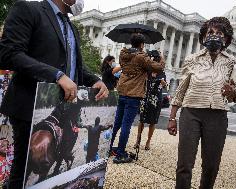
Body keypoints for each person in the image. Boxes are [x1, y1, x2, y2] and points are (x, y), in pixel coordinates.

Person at [0, 0, 108, 188]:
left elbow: (75, 68)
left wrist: (95, 81)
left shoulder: (72, 27)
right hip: (29, 105)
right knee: (22, 173)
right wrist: (56, 75)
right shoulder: (28, 9)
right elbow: (9, 53)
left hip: (64, 107)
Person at [167, 17, 236, 189]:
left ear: (226, 39)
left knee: (211, 166)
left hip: (217, 116)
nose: (214, 36)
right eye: (210, 32)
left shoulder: (232, 62)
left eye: (219, 33)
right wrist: (172, 117)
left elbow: (235, 95)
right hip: (191, 113)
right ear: (203, 37)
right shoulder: (192, 59)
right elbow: (181, 89)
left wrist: (233, 93)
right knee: (184, 164)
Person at [110, 33, 165, 164]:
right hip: (134, 94)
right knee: (126, 125)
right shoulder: (141, 57)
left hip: (122, 91)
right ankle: (120, 154)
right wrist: (160, 57)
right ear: (142, 44)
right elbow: (158, 67)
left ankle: (108, 147)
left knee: (117, 123)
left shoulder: (123, 54)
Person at [134, 71, 167, 150]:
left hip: (156, 100)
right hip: (145, 97)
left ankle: (148, 141)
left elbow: (165, 86)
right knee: (141, 120)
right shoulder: (147, 71)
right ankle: (138, 140)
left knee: (153, 121)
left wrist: (164, 84)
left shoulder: (162, 73)